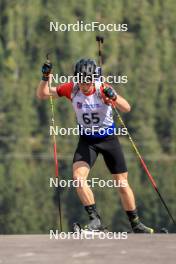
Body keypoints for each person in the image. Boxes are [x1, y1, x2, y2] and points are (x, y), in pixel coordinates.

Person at [36, 58, 154, 233]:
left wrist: (113, 97)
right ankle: (95, 220)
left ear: (94, 78)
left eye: (88, 81)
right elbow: (43, 94)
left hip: (108, 140)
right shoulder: (72, 88)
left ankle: (136, 223)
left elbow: (126, 107)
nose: (85, 85)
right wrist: (45, 77)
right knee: (78, 178)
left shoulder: (102, 88)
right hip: (87, 141)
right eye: (81, 81)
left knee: (122, 183)